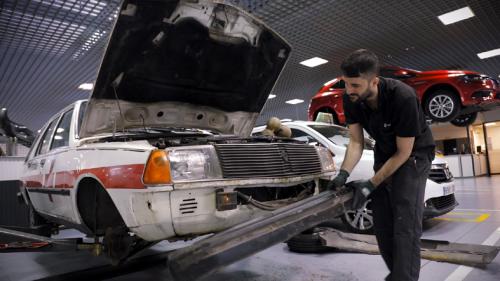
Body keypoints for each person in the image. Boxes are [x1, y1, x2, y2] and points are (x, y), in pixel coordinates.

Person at [328, 49, 435, 281]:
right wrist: (342, 174)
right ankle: (396, 274)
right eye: (345, 84)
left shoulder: (402, 97)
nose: (349, 91)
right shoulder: (351, 99)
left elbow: (404, 152)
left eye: (355, 85)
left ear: (374, 81)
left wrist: (371, 184)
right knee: (383, 222)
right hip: (385, 153)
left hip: (414, 156)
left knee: (404, 223)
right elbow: (356, 142)